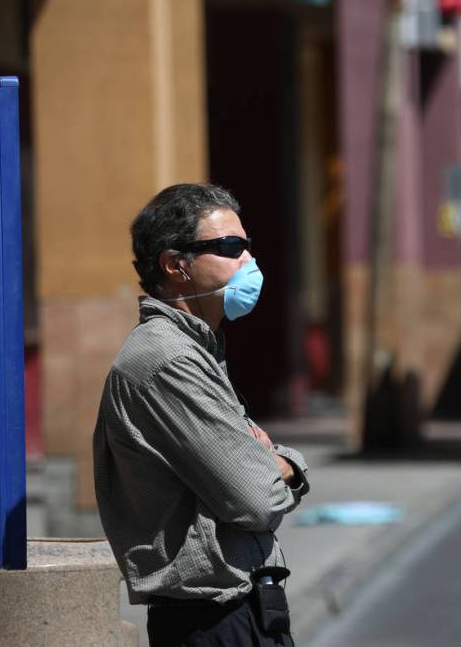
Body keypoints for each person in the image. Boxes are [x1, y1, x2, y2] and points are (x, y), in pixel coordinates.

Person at [93, 183, 310, 647]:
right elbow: (257, 499)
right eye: (230, 248)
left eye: (247, 246)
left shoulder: (199, 350)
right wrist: (287, 465)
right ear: (176, 265)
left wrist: (267, 461)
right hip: (210, 620)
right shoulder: (168, 360)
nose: (248, 261)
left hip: (244, 611)